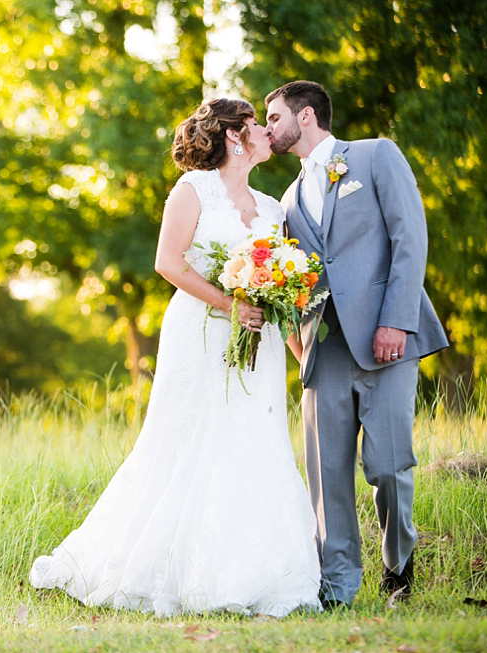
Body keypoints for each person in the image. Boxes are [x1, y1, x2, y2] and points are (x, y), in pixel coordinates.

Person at [29, 98, 321, 617]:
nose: (263, 132)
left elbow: (279, 291)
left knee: (253, 439)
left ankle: (254, 574)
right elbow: (168, 262)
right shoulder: (194, 190)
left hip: (260, 343)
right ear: (233, 136)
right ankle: (166, 569)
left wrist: (303, 356)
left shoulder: (272, 207)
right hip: (200, 333)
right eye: (254, 124)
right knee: (187, 439)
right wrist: (231, 303)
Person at [263, 80, 448, 608]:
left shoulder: (373, 156)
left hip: (387, 341)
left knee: (388, 465)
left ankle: (398, 569)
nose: (267, 129)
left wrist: (396, 321)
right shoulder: (287, 199)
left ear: (305, 115)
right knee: (326, 477)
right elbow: (292, 281)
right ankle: (337, 588)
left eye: (274, 117)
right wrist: (299, 345)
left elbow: (409, 239)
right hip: (324, 353)